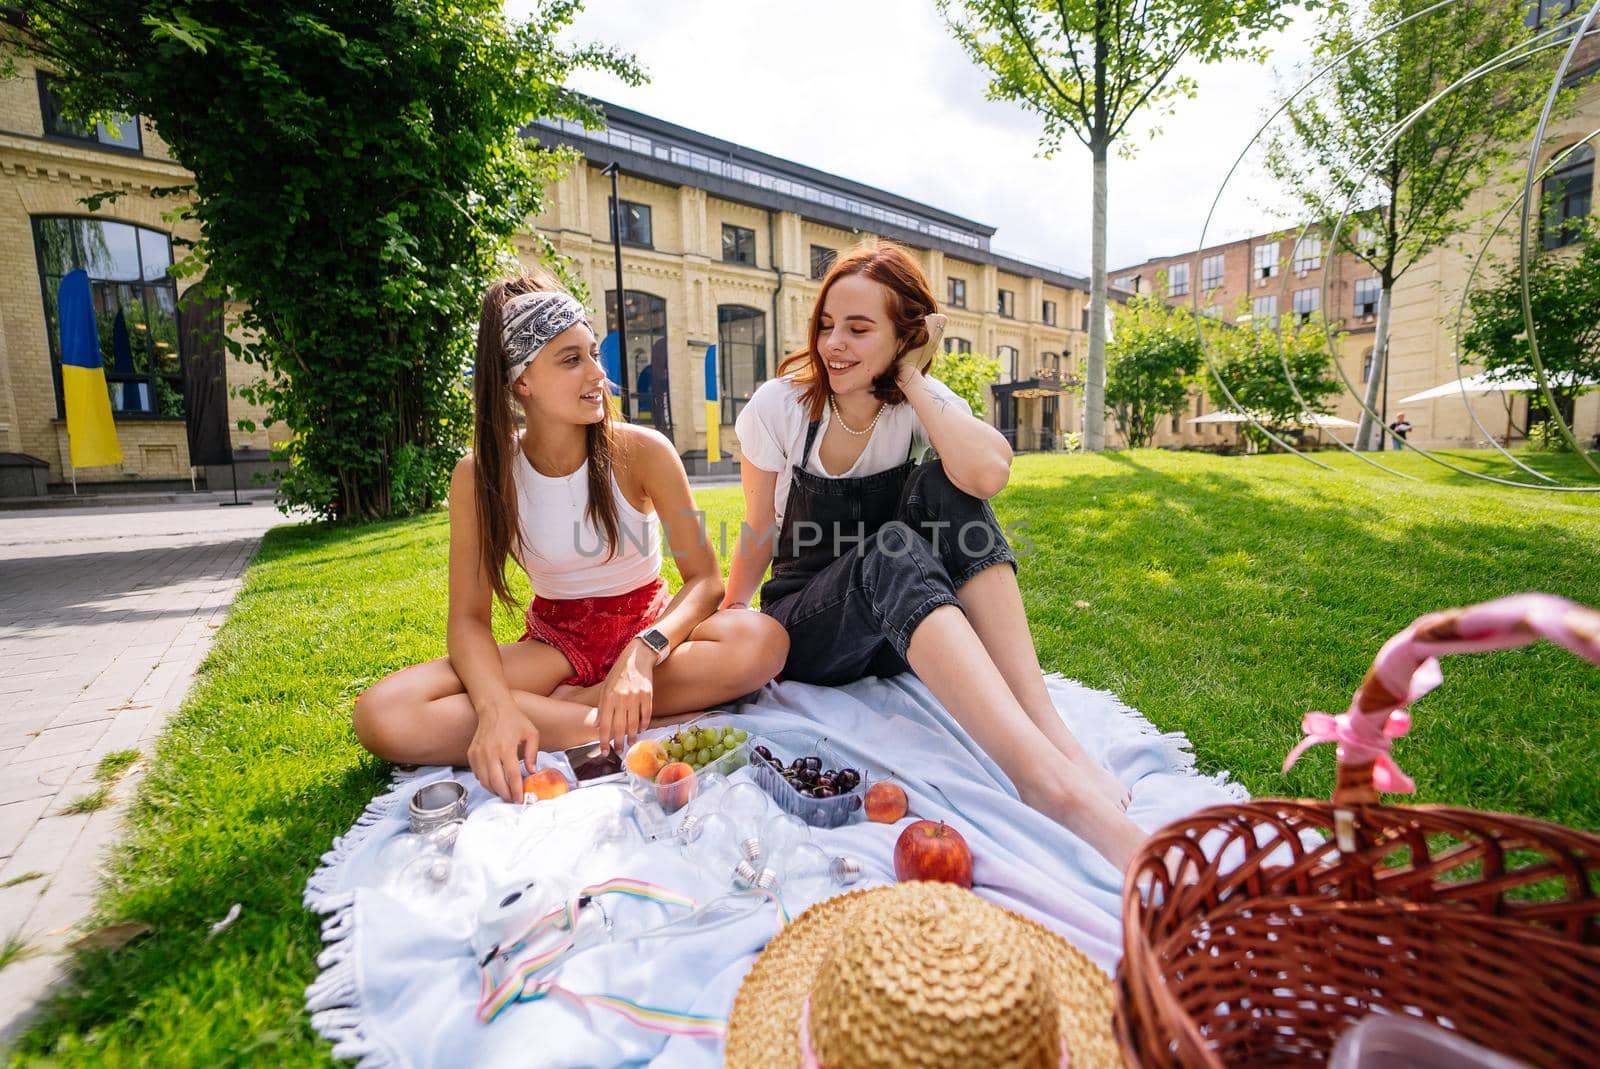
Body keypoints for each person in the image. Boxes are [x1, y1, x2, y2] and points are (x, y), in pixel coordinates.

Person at [722, 243, 1145, 871]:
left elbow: (988, 473)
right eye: (828, 325)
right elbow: (758, 527)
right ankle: (1045, 785)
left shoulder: (921, 404)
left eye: (860, 329)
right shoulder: (780, 407)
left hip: (902, 620)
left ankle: (1053, 737)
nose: (834, 343)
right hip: (811, 628)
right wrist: (729, 620)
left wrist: (914, 380)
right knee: (891, 546)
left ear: (905, 337)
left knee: (950, 483)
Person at [353, 273, 789, 802]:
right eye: (570, 359)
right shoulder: (480, 474)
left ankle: (566, 710)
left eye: (593, 354)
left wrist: (642, 653)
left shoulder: (644, 450)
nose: (598, 374)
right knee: (383, 714)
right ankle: (600, 720)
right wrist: (494, 708)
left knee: (763, 642)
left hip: (650, 630)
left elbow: (705, 583)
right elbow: (469, 618)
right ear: (521, 383)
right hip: (558, 644)